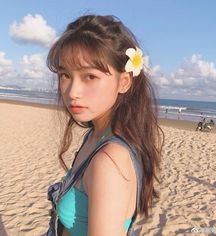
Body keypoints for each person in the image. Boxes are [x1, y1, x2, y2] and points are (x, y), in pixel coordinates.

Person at [45, 14, 164, 236]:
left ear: (124, 82)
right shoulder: (96, 136)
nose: (72, 92)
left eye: (90, 76)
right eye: (65, 75)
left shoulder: (109, 161)